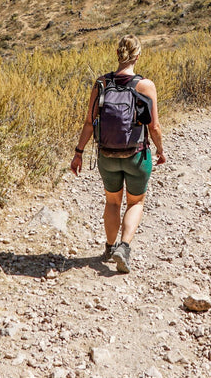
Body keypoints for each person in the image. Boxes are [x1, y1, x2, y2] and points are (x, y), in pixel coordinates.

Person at [70, 35, 165, 273]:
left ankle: (109, 247)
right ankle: (124, 247)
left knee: (112, 201)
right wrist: (161, 150)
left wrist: (78, 153)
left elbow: (89, 123)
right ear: (138, 56)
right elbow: (153, 127)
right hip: (137, 156)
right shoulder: (146, 86)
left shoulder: (101, 83)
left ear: (117, 54)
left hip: (107, 156)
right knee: (136, 201)